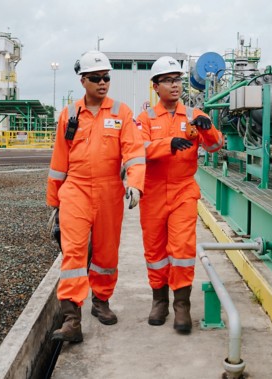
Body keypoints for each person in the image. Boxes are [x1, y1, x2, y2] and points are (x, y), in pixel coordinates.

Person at [46, 50, 146, 343]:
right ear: (83, 81)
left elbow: (134, 151)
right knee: (74, 254)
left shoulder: (121, 113)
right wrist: (54, 202)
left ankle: (101, 301)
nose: (103, 83)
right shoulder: (69, 114)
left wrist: (135, 183)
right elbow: (58, 160)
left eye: (106, 77)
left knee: (105, 253)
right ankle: (71, 319)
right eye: (96, 78)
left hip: (108, 191)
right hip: (75, 189)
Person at [136, 56, 224, 334]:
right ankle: (159, 300)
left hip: (183, 189)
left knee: (182, 249)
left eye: (178, 80)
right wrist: (167, 144)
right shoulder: (145, 118)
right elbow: (138, 149)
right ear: (156, 86)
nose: (175, 86)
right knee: (155, 250)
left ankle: (182, 305)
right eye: (169, 81)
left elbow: (215, 146)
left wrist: (208, 130)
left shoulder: (195, 115)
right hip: (152, 192)